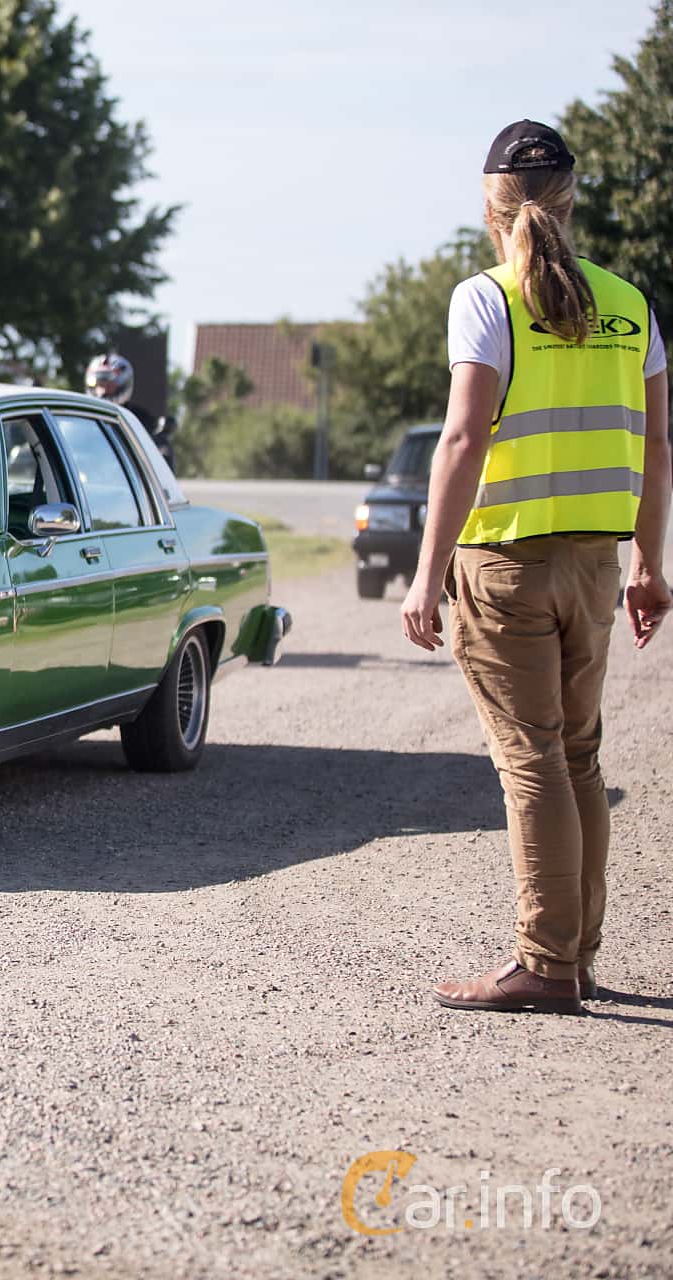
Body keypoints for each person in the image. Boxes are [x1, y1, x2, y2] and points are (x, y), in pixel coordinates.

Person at [400, 120, 672, 1015]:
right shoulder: (631, 304)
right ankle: (576, 955)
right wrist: (648, 564)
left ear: (491, 208)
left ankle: (548, 965)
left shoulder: (486, 298)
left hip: (506, 564)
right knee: (579, 756)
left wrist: (426, 571)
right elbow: (658, 446)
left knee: (533, 764)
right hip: (596, 563)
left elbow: (463, 439)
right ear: (572, 199)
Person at [85, 351, 174, 468]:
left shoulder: (139, 420)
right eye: (100, 385)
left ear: (123, 384)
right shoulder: (79, 416)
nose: (102, 392)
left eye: (109, 385)